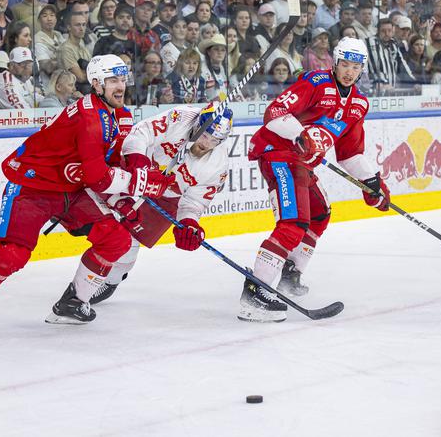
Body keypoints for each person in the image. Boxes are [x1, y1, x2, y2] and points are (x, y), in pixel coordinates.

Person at [0, 55, 176, 341]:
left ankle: (72, 302)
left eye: (123, 80)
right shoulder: (89, 118)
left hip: (71, 190)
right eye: (113, 80)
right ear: (96, 84)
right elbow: (99, 178)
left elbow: (112, 166)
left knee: (116, 240)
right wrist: (143, 184)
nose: (120, 87)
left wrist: (124, 200)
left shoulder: (121, 115)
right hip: (33, 185)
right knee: (14, 253)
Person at [241, 37, 390, 322]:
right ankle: (254, 295)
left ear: (363, 69)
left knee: (320, 213)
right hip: (279, 154)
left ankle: (289, 275)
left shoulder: (358, 104)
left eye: (355, 66)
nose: (349, 70)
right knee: (293, 224)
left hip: (302, 164)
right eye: (345, 63)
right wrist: (299, 134)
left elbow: (350, 154)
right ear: (335, 61)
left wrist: (373, 182)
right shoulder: (316, 83)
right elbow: (274, 112)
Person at [84, 103, 234, 304]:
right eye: (205, 135)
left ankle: (111, 281)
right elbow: (140, 134)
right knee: (95, 208)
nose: (206, 144)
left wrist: (189, 223)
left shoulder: (218, 164)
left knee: (130, 242)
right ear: (198, 124)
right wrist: (139, 165)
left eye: (215, 140)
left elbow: (194, 200)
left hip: (168, 196)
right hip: (139, 172)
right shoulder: (179, 118)